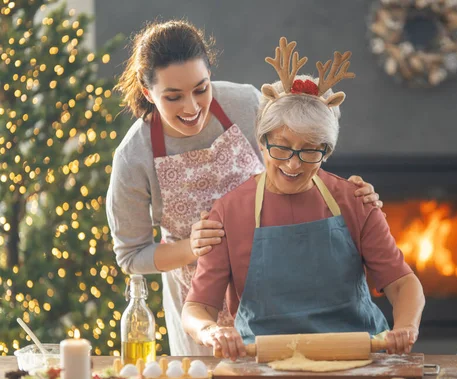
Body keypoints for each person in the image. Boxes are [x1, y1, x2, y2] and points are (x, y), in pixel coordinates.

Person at [106, 21, 384, 356]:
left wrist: (353, 195)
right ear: (148, 92)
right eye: (173, 97)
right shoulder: (134, 157)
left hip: (276, 286)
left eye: (201, 88)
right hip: (201, 304)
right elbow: (131, 256)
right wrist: (192, 248)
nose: (192, 107)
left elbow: (298, 160)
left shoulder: (245, 103)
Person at [182, 37, 425, 360]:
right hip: (265, 364)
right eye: (281, 147)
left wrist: (405, 326)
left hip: (359, 358)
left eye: (310, 150)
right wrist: (211, 330)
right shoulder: (227, 212)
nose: (293, 163)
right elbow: (197, 307)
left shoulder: (355, 201)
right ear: (262, 140)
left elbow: (402, 283)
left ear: (327, 151)